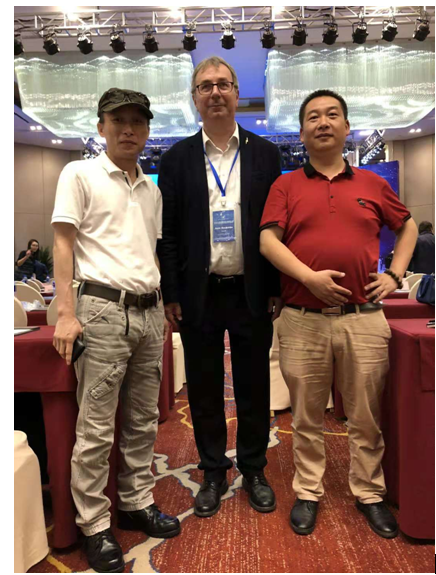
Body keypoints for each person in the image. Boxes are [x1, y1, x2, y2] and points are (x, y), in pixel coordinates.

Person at [259, 89, 418, 539]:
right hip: (301, 317)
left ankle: (369, 492)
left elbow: (406, 226)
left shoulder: (372, 184)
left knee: (365, 416)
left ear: (347, 127)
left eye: (332, 115)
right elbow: (268, 241)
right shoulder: (285, 186)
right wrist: (308, 278)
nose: (323, 122)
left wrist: (396, 274)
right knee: (306, 417)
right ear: (302, 132)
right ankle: (308, 491)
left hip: (363, 316)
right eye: (313, 117)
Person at [51, 88, 180, 573]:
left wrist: (160, 307)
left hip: (149, 312)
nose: (128, 129)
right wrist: (66, 313)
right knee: (97, 427)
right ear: (101, 126)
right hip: (102, 310)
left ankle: (135, 501)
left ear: (147, 130)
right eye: (118, 120)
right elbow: (63, 244)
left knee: (143, 419)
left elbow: (149, 252)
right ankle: (94, 524)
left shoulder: (151, 189)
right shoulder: (79, 173)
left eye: (138, 122)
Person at [157, 56, 283, 518]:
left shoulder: (265, 154)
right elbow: (168, 236)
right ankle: (213, 469)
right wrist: (172, 293)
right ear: (194, 97)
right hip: (199, 294)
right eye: (205, 86)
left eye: (223, 84)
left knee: (253, 385)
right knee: (205, 388)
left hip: (252, 291)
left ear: (236, 93)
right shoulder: (175, 159)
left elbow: (276, 227)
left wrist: (275, 286)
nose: (215, 92)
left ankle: (253, 468)